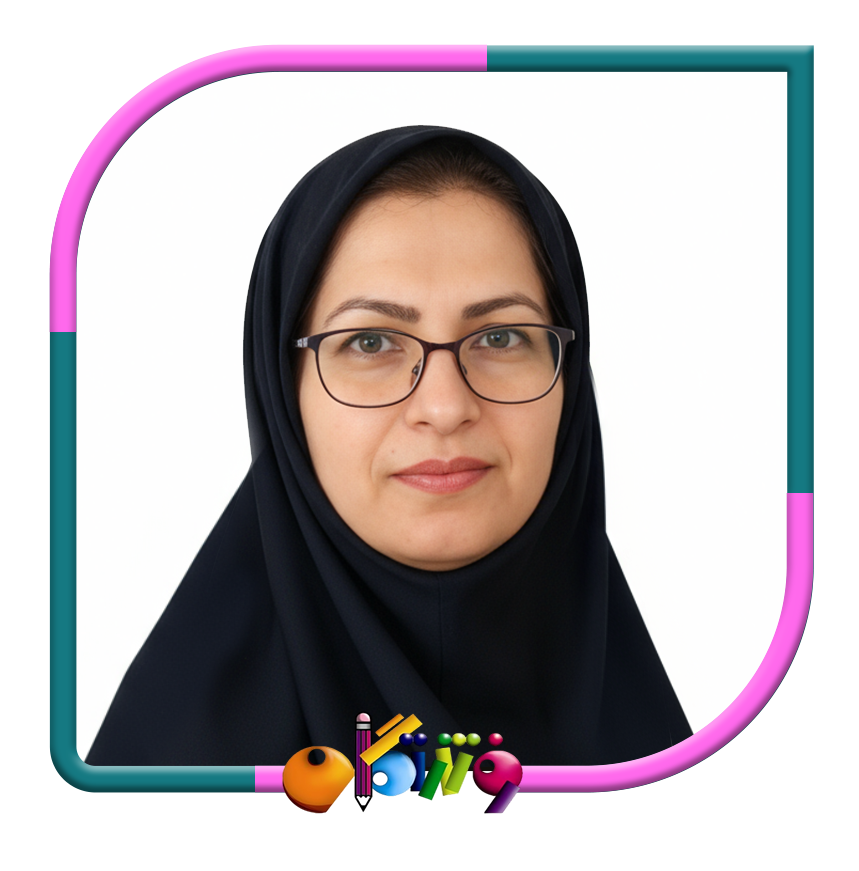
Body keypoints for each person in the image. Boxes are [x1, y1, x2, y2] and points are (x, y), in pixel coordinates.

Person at [86, 126, 691, 767]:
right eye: (370, 343)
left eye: (502, 337)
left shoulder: (692, 774)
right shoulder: (161, 782)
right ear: (283, 390)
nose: (445, 408)